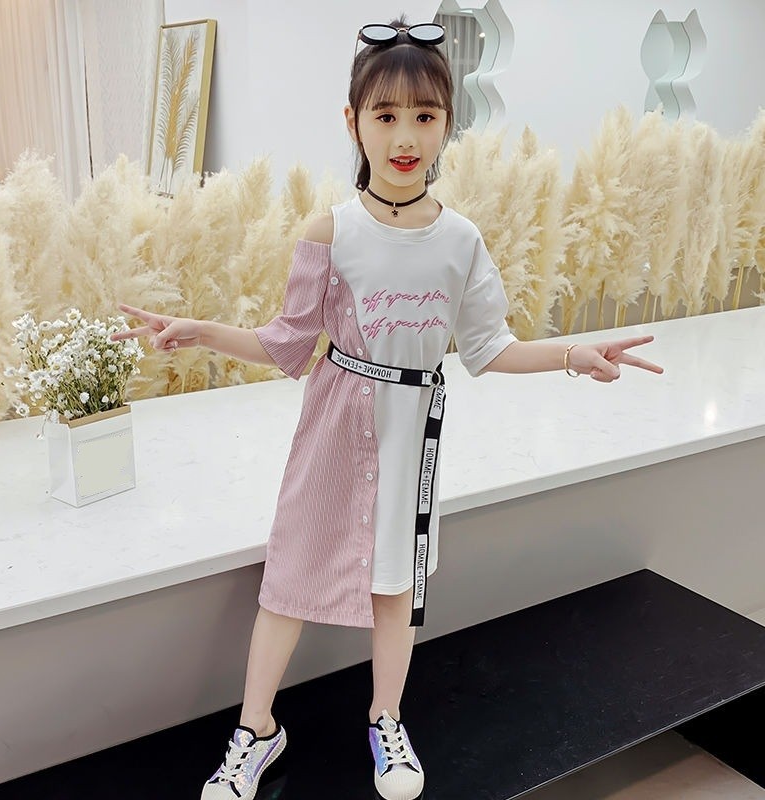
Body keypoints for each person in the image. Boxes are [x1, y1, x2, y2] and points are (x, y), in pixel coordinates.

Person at [111, 15, 664, 800]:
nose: (405, 136)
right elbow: (286, 346)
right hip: (333, 427)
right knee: (290, 577)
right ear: (354, 122)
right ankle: (256, 730)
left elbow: (489, 347)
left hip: (412, 434)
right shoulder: (328, 231)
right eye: (386, 114)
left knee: (395, 587)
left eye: (425, 115)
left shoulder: (461, 241)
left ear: (447, 124)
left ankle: (386, 720)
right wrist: (199, 329)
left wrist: (575, 355)